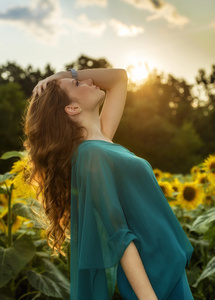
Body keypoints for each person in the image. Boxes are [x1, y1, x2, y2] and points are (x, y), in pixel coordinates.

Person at [23, 68, 194, 300]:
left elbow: (119, 78)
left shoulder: (102, 139)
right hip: (153, 279)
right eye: (77, 84)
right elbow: (119, 234)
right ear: (72, 108)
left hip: (167, 267)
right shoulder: (90, 155)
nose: (88, 80)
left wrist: (62, 75)